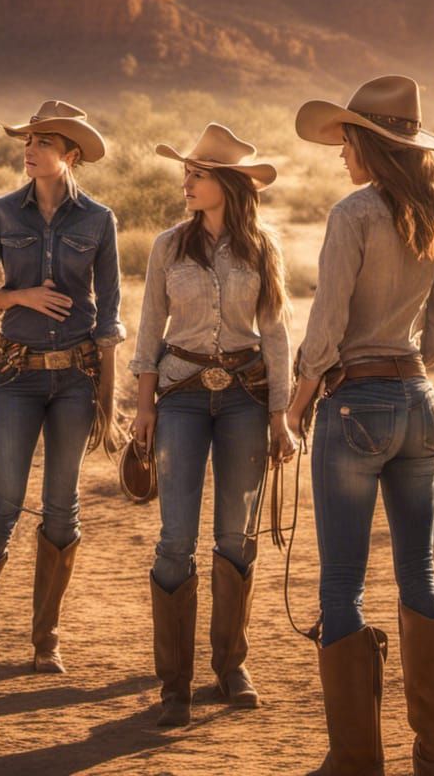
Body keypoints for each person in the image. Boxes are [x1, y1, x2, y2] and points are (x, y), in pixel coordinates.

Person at [289, 75, 434, 776]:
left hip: (354, 406)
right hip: (421, 404)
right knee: (418, 573)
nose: (339, 154)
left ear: (370, 144)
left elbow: (326, 325)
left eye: (346, 141)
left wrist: (297, 406)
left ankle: (357, 759)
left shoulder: (354, 214)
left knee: (341, 586)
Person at [0, 100, 123, 697]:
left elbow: (109, 313)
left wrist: (110, 402)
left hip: (76, 380)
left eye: (41, 141)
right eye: (26, 140)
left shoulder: (99, 219)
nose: (28, 148)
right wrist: (18, 298)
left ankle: (46, 641)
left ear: (69, 154)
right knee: (1, 509)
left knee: (63, 510)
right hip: (15, 376)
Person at [129, 123, 294, 728]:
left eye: (197, 175)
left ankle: (231, 666)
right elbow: (149, 327)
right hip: (180, 395)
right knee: (175, 537)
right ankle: (175, 682)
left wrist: (282, 415)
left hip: (247, 398)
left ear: (226, 184)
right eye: (187, 173)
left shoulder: (264, 248)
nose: (186, 183)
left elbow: (275, 331)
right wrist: (143, 406)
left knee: (236, 536)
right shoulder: (169, 246)